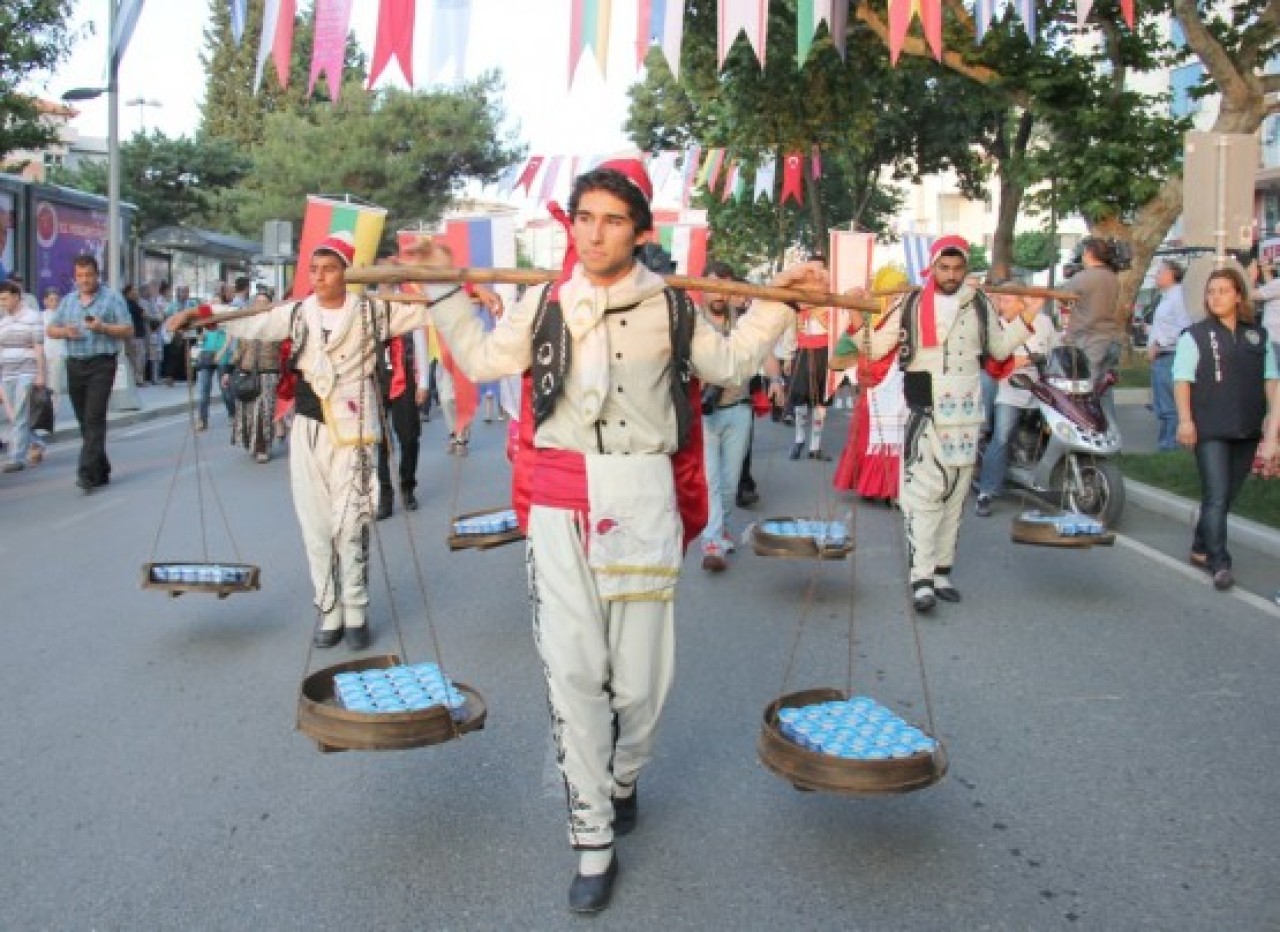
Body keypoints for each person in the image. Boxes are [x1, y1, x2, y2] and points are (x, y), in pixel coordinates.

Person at [422, 160, 803, 914]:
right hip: (560, 504)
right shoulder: (544, 302)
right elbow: (483, 359)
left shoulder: (672, 307)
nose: (594, 233)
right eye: (584, 218)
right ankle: (591, 834)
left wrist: (780, 305)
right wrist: (442, 289)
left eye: (612, 220)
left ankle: (624, 773)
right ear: (571, 224)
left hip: (641, 502)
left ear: (639, 231)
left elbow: (728, 365)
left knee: (640, 685)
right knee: (573, 675)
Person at [167, 232, 435, 651]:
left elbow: (430, 309)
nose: (320, 277)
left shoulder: (374, 313)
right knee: (316, 524)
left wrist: (466, 290)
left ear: (348, 273)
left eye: (329, 269)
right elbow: (249, 320)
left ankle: (357, 609)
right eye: (314, 269)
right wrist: (198, 313)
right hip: (309, 430)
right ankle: (329, 609)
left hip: (355, 431)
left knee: (351, 524)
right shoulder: (295, 313)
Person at [854, 236, 1036, 612]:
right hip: (926, 410)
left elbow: (999, 350)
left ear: (965, 269)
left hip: (967, 415)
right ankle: (920, 576)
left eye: (957, 269)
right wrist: (857, 318)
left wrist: (1028, 317)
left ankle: (940, 571)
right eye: (944, 268)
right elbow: (878, 346)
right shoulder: (912, 303)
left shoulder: (980, 303)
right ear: (934, 267)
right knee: (922, 497)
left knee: (955, 496)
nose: (951, 275)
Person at [1173, 267, 1279, 591]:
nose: (1216, 296)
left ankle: (1200, 545)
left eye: (1223, 290)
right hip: (1210, 429)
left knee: (1227, 496)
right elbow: (1182, 379)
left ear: (1238, 296)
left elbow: (1272, 381)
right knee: (1216, 496)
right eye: (1211, 291)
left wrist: (1272, 430)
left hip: (1247, 429)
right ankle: (1220, 562)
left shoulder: (1257, 336)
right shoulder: (1195, 335)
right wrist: (1186, 420)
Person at [46, 254, 132, 492]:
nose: (84, 280)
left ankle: (86, 473)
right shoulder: (68, 301)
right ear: (75, 277)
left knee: (94, 417)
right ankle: (100, 468)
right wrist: (65, 332)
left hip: (102, 364)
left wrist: (103, 327)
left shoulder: (112, 299)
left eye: (89, 275)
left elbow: (127, 329)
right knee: (84, 420)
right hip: (75, 363)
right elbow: (51, 329)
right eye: (80, 276)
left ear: (97, 275)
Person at [973, 290, 1058, 515]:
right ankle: (986, 492)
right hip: (1011, 388)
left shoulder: (1044, 322)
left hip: (1041, 388)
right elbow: (999, 360)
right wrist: (1022, 360)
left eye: (1007, 300)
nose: (1001, 304)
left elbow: (1055, 352)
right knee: (1002, 436)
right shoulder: (997, 326)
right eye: (1000, 299)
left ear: (1022, 303)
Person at [832, 266, 910, 503]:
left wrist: (855, 312)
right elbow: (851, 346)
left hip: (891, 382)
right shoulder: (881, 311)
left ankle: (885, 487)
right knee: (868, 432)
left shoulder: (901, 311)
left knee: (888, 435)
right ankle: (867, 484)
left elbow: (875, 348)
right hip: (874, 381)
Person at [697, 261, 755, 572]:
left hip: (739, 410)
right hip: (705, 415)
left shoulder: (744, 324)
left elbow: (766, 355)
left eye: (723, 287)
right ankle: (713, 542)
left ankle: (721, 528)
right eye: (711, 287)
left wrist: (774, 380)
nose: (717, 293)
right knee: (711, 482)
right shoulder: (693, 323)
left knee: (731, 483)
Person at [1061, 237, 1122, 421]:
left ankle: (1089, 432)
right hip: (1109, 339)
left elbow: (1063, 297)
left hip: (1089, 340)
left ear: (1088, 253)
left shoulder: (1084, 277)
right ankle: (1111, 434)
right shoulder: (1112, 277)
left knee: (1085, 394)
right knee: (1103, 394)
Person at [374, 324, 428, 519]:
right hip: (376, 379)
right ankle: (384, 495)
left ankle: (407, 485)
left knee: (409, 437)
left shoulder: (406, 308)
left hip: (404, 377)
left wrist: (423, 383)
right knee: (379, 441)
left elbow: (421, 346)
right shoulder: (368, 308)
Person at [223, 297, 283, 464]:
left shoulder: (277, 327)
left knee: (264, 412)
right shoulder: (247, 327)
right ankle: (251, 441)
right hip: (247, 372)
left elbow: (284, 350)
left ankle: (262, 446)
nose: (260, 305)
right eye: (258, 302)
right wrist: (228, 371)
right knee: (248, 412)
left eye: (264, 302)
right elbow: (239, 350)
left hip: (268, 374)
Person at [0, 281, 47, 471]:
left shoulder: (32, 317)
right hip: (7, 372)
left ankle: (16, 457)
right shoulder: (3, 321)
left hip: (27, 371)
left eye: (4, 298)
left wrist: (41, 374)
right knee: (14, 415)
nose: (2, 303)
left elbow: (38, 346)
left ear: (16, 296)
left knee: (19, 413)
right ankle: (37, 443)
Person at [1146, 260, 1191, 452]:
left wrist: (1160, 344)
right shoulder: (1166, 297)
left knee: (1169, 407)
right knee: (1163, 406)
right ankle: (1166, 446)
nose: (1156, 276)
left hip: (1169, 355)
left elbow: (1184, 326)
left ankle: (1170, 447)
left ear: (1172, 274)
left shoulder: (1178, 296)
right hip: (1161, 357)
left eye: (1160, 272)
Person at [193, 319, 235, 431]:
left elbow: (229, 337)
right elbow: (200, 339)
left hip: (222, 356)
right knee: (204, 389)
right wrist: (200, 336)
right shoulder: (204, 321)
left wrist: (221, 352)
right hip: (206, 355)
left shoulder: (225, 318)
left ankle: (232, 414)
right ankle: (202, 419)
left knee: (225, 390)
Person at [122, 284, 150, 384]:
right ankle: (138, 379)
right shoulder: (132, 304)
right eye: (135, 291)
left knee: (134, 357)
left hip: (132, 335)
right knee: (139, 357)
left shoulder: (127, 304)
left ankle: (135, 378)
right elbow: (146, 314)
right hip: (135, 335)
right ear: (129, 293)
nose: (137, 293)